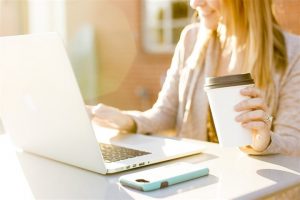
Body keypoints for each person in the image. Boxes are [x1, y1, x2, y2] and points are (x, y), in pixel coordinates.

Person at [88, 0, 300, 155]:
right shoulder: (191, 39)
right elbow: (165, 114)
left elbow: (294, 143)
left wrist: (264, 141)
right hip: (199, 185)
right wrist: (126, 120)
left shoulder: (293, 54)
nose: (194, 3)